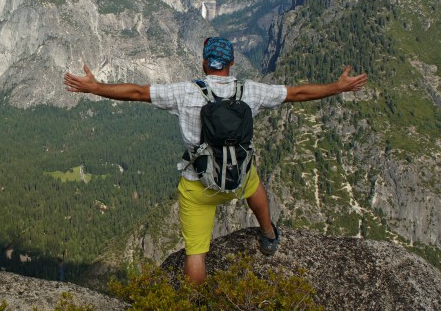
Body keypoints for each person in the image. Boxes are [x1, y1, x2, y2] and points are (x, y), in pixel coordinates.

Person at [63, 37, 367, 284]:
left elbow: (137, 92)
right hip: (238, 178)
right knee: (255, 185)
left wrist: (96, 87)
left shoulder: (185, 92)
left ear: (205, 63)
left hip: (199, 186)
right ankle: (268, 234)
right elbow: (297, 93)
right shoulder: (250, 91)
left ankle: (197, 302)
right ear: (232, 63)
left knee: (195, 253)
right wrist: (337, 87)